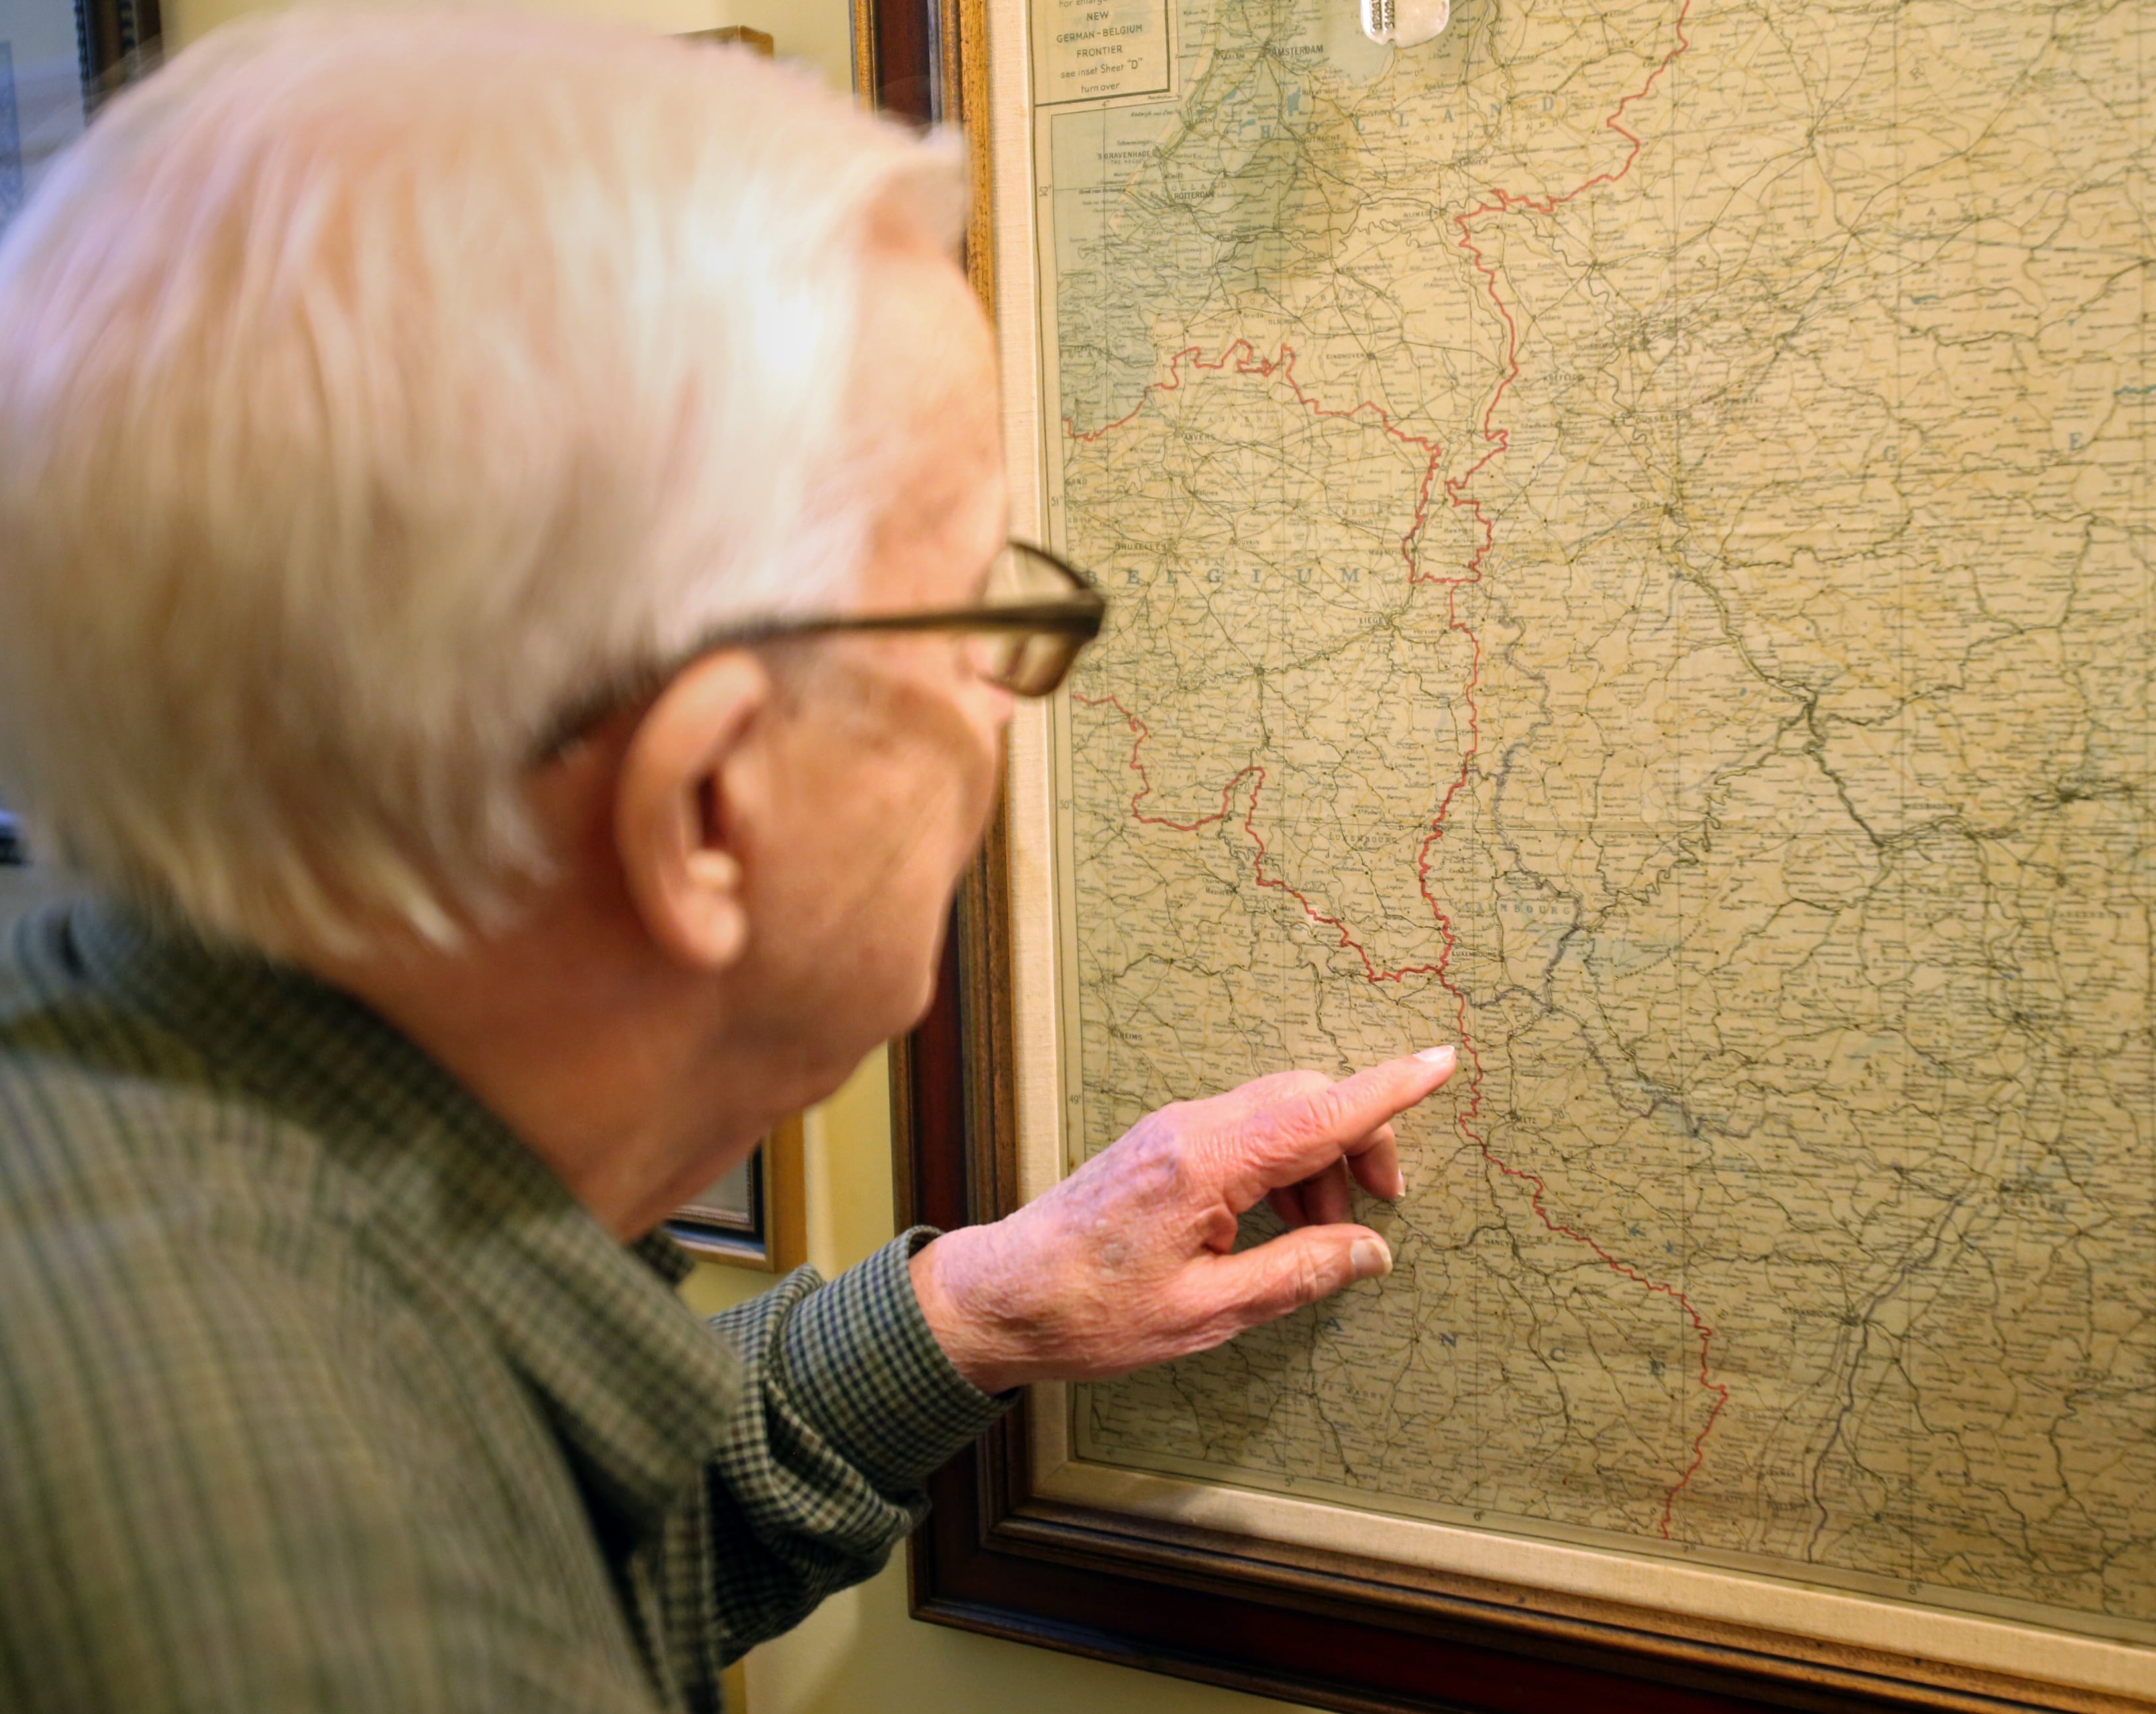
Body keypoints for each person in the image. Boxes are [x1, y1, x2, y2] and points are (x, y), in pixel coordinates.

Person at [0, 13, 1454, 1711]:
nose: (1007, 702)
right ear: (705, 809)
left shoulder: (142, 1132)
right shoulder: (323, 1629)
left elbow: (559, 1518)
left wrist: (980, 1311)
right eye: (978, 615)